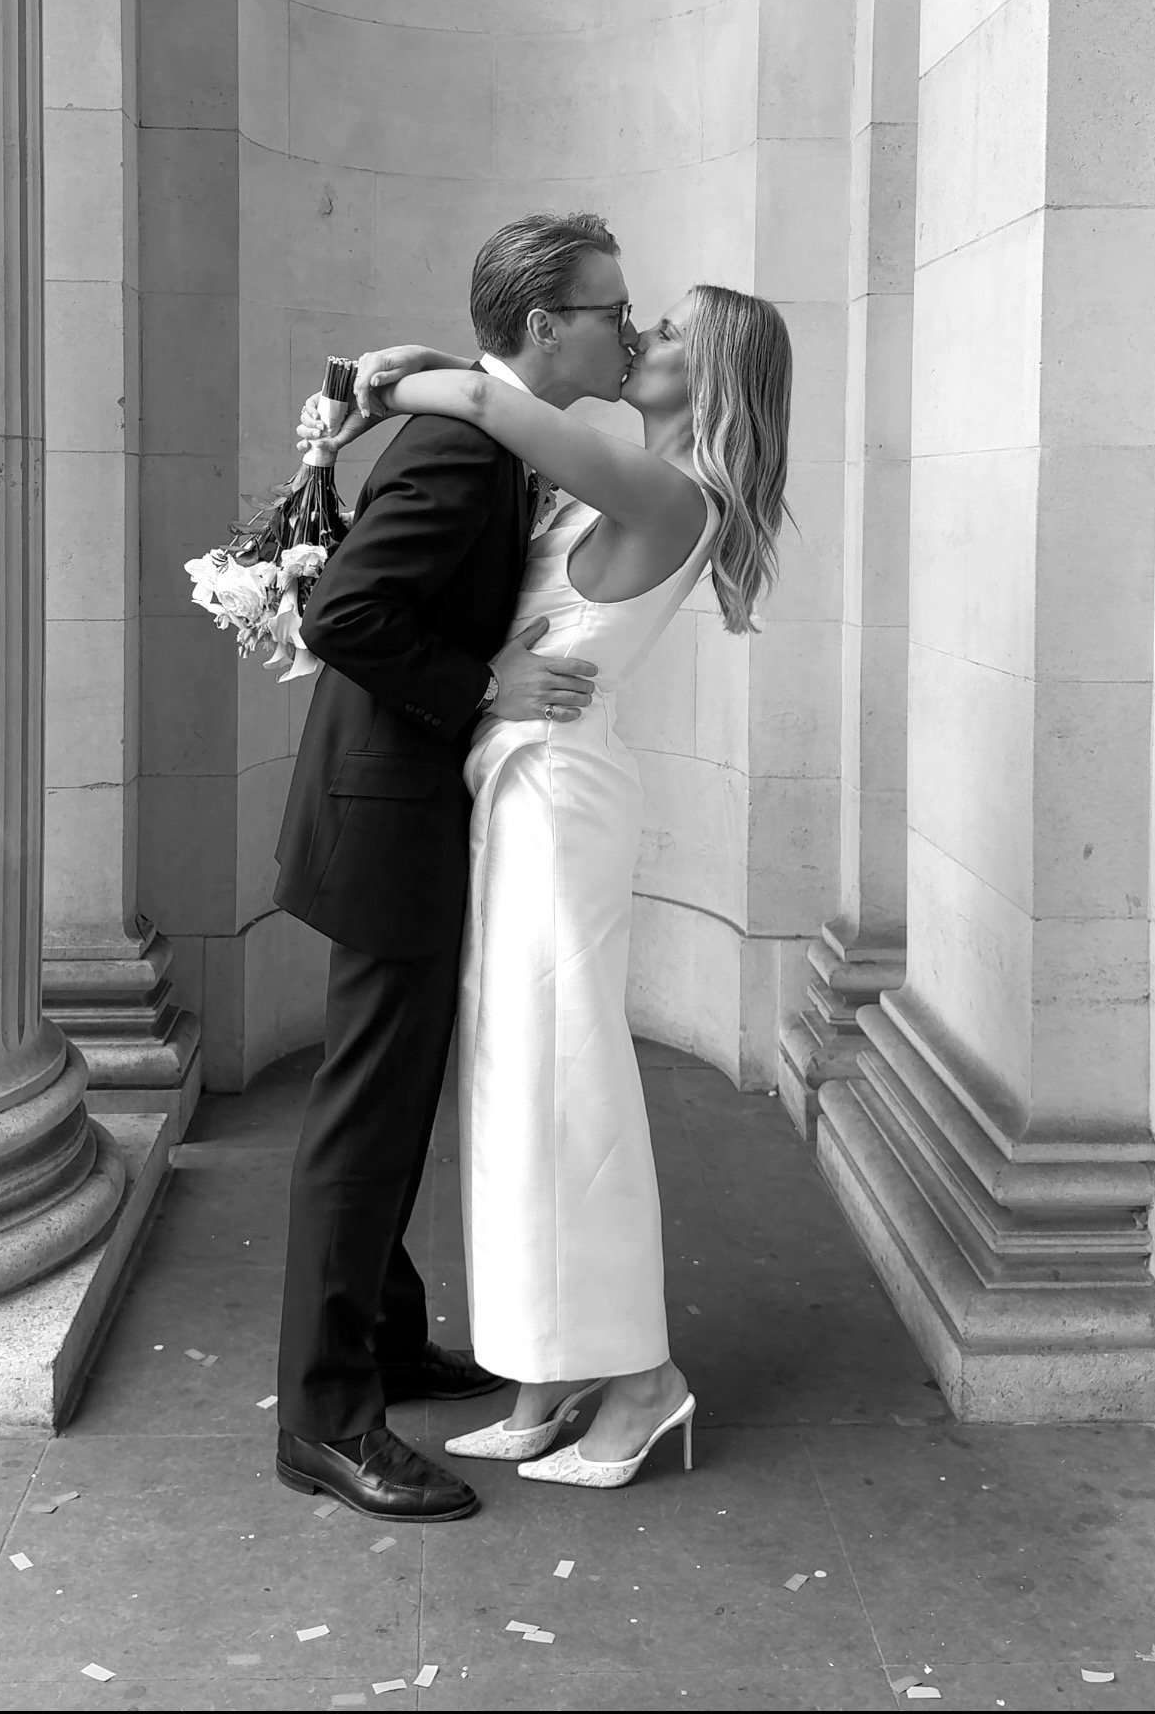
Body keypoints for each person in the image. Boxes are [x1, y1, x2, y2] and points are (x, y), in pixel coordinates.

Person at [312, 283, 792, 1491]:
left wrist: (387, 380)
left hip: (555, 798)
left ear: (717, 373)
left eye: (672, 332)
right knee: (515, 1083)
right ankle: (543, 1365)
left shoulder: (672, 490)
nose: (644, 340)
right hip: (520, 784)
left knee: (568, 1078)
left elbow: (485, 394)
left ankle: (641, 1377)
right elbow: (503, 416)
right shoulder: (610, 475)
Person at [272, 212, 637, 1522]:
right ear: (545, 326)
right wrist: (487, 679)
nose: (627, 326)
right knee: (365, 1129)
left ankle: (378, 1341)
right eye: (609, 308)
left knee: (386, 1110)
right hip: (386, 823)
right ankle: (325, 1421)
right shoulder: (465, 450)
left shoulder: (491, 430)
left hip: (392, 810)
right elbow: (346, 613)